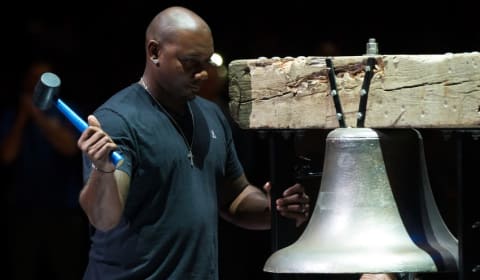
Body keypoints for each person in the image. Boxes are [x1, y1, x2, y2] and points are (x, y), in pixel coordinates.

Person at [77, 6, 310, 280]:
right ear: (154, 53)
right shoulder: (119, 120)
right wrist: (103, 170)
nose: (203, 75)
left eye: (207, 63)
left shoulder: (211, 114)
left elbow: (234, 197)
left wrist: (274, 208)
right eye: (191, 64)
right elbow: (104, 218)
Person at [2, 61, 87, 279]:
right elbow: (7, 156)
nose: (38, 85)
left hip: (63, 210)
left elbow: (69, 148)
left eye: (45, 79)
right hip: (24, 210)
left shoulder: (66, 110)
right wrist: (23, 117)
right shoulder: (13, 116)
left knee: (66, 269)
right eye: (33, 79)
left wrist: (38, 116)